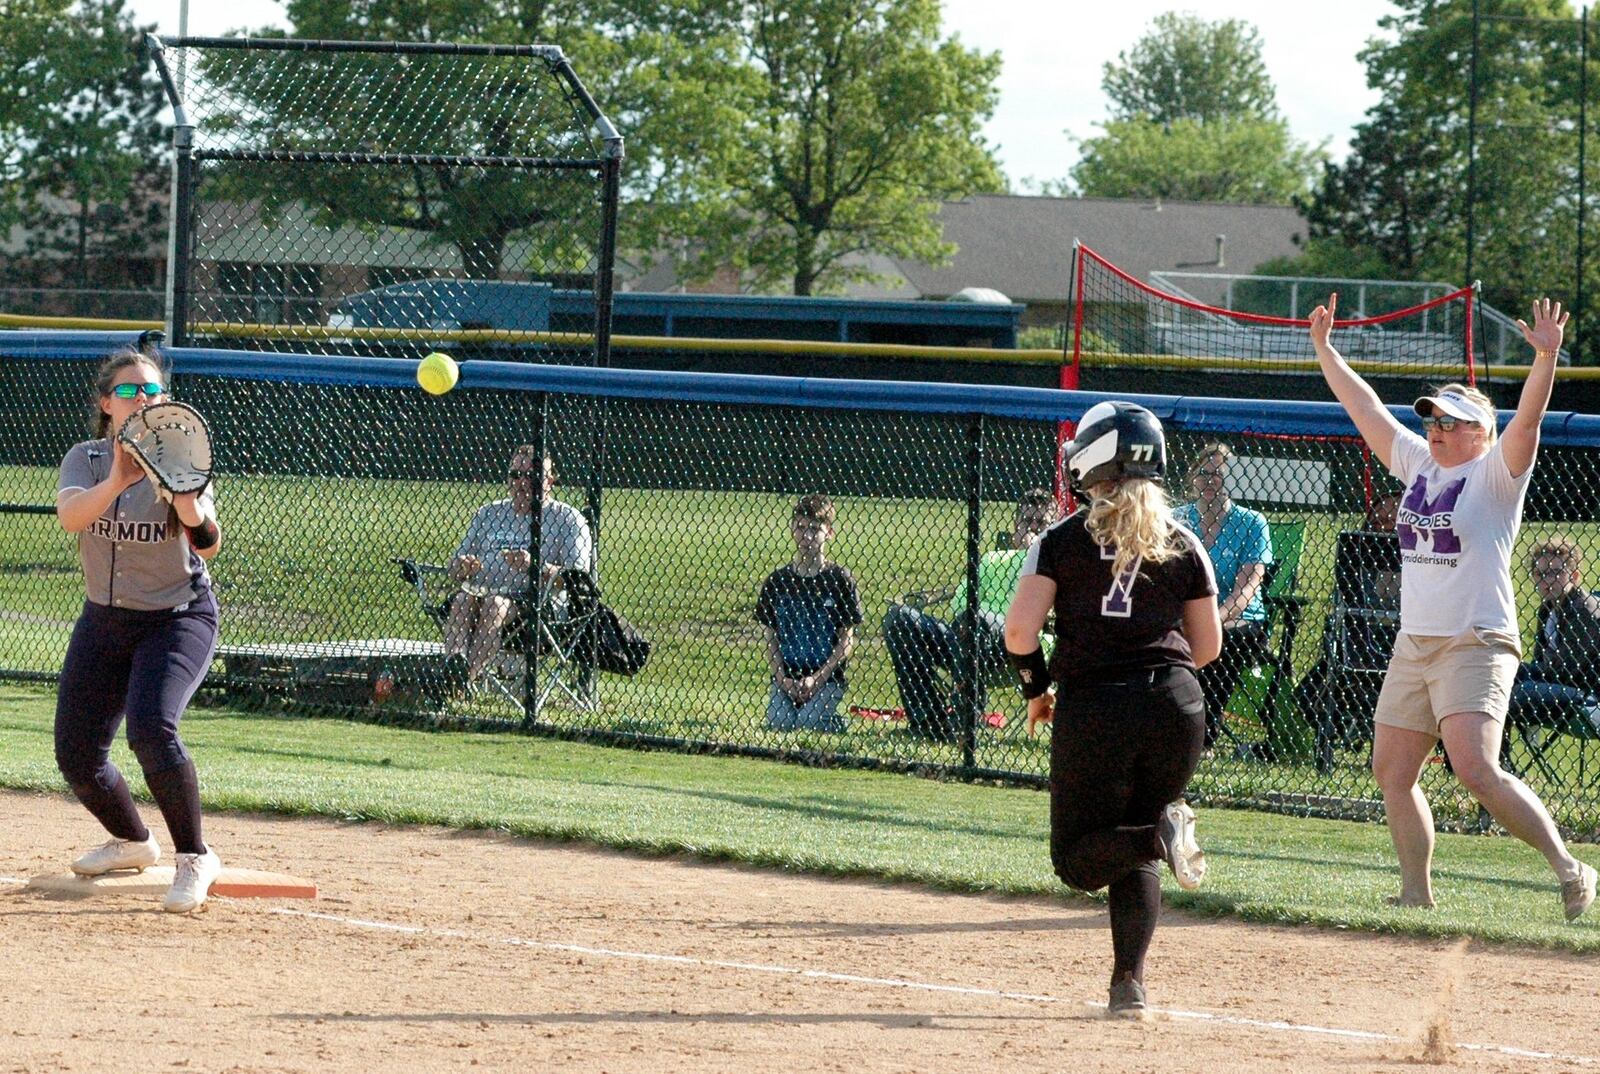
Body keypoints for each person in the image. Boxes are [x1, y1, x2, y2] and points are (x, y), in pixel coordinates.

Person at [1309, 293, 1596, 920]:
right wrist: (1326, 352)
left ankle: (1571, 868)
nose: (1436, 430)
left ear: (1480, 433)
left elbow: (1527, 421)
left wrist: (1545, 357)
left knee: (1475, 768)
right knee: (1392, 770)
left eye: (1450, 422)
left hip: (1476, 639)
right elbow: (1364, 408)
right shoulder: (1417, 463)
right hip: (1416, 642)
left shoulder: (1497, 474)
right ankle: (1416, 891)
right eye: (1433, 420)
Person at [1003, 401, 1222, 1019]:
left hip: (1098, 707)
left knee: (1076, 860)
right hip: (1177, 707)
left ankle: (1161, 832)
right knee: (1133, 845)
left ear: (1097, 460)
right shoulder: (1184, 541)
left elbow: (1020, 634)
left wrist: (1036, 690)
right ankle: (1129, 986)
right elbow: (1207, 648)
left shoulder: (1062, 540)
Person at [53, 347, 224, 913]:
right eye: (128, 391)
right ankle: (133, 841)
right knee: (77, 755)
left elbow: (208, 543)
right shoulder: (87, 458)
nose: (142, 400)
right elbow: (73, 517)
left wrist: (189, 506)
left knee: (151, 729)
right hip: (104, 621)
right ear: (106, 404)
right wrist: (121, 479)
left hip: (177, 618)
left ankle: (195, 856)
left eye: (151, 391)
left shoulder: (182, 458)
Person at [882, 490, 1059, 741]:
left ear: (1053, 528)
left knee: (977, 620)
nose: (1032, 527)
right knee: (899, 619)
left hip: (1024, 648)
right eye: (1026, 521)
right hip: (969, 640)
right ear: (1015, 526)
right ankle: (928, 721)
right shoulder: (992, 559)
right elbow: (960, 603)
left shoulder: (1055, 563)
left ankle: (965, 720)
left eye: (1040, 523)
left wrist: (1034, 554)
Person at [443, 447, 592, 684]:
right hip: (481, 591)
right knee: (462, 599)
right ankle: (453, 666)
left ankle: (462, 682)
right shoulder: (488, 513)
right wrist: (462, 567)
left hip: (538, 605)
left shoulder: (569, 519)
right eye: (515, 475)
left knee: (495, 604)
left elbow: (577, 580)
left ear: (550, 481)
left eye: (531, 476)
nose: (522, 482)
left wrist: (536, 567)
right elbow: (453, 568)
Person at [1173, 443, 1274, 751]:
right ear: (1192, 478)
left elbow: (1247, 588)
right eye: (1204, 473)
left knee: (1219, 640)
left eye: (1220, 474)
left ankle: (1202, 734)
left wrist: (1212, 620)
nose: (1211, 481)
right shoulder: (1176, 519)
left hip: (1239, 618)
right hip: (1183, 612)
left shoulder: (1252, 523)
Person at [754, 494, 864, 733]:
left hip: (826, 679)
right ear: (792, 530)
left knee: (807, 724)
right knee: (779, 724)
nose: (807, 536)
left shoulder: (839, 580)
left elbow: (847, 641)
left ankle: (835, 722)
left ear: (829, 533)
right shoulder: (777, 582)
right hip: (788, 677)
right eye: (801, 528)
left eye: (815, 529)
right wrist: (782, 679)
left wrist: (817, 678)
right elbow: (771, 639)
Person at [1509, 537, 1600, 733]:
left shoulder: (1585, 609)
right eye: (1540, 574)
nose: (1547, 580)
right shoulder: (1548, 608)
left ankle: (1499, 760)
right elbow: (1542, 662)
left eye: (1556, 573)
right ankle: (1498, 758)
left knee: (1516, 692)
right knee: (1496, 675)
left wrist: (1542, 667)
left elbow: (1568, 671)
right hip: (1561, 685)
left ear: (1574, 576)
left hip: (1591, 697)